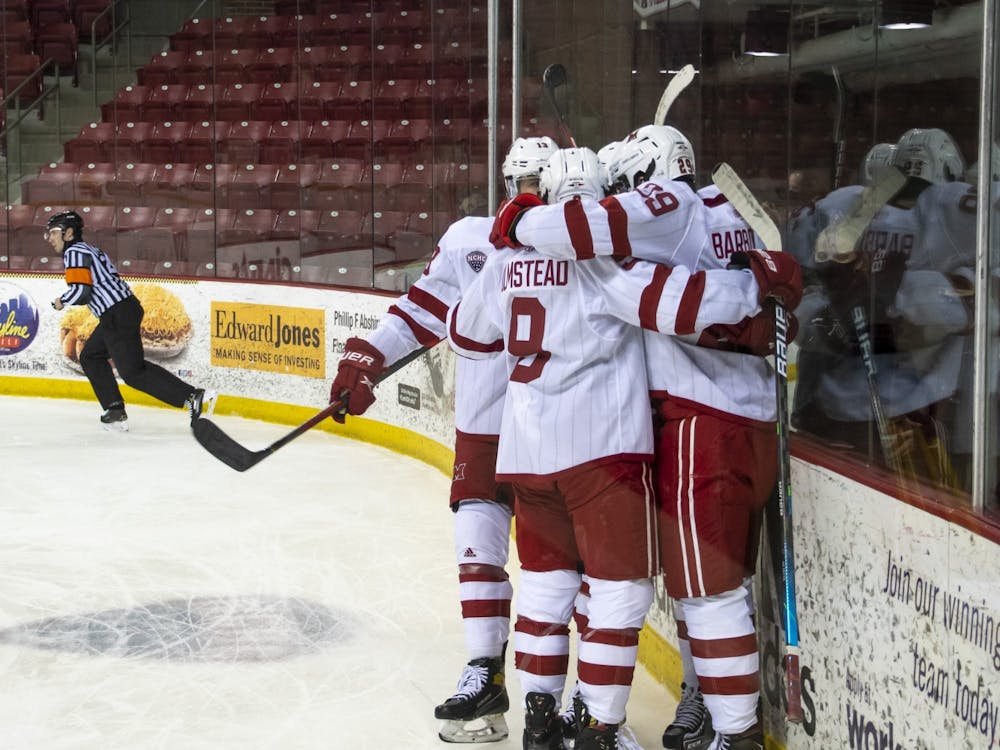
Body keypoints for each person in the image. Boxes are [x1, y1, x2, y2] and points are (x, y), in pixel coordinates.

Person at [455, 144, 797, 750]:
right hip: (603, 450)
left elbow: (466, 333)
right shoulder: (603, 263)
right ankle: (599, 729)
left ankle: (541, 723)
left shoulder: (504, 261)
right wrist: (756, 296)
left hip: (527, 451)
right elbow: (674, 304)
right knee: (625, 590)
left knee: (544, 582)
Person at [327, 136, 558, 745]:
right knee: (476, 542)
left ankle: (562, 696)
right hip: (485, 421)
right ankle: (484, 670)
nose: (525, 195)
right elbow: (419, 312)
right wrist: (366, 356)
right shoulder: (468, 241)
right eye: (518, 182)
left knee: (553, 565)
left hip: (559, 429)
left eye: (537, 182)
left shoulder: (579, 247)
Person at [791, 127, 973, 488]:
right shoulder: (950, 222)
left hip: (836, 411)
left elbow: (803, 296)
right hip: (909, 415)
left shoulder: (847, 207)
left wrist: (843, 312)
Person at [47, 210, 214, 432]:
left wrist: (60, 301)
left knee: (134, 373)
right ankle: (114, 410)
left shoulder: (74, 253)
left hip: (116, 313)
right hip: (120, 311)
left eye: (54, 232)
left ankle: (193, 396)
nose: (50, 238)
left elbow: (81, 292)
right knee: (90, 355)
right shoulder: (88, 249)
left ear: (68, 233)